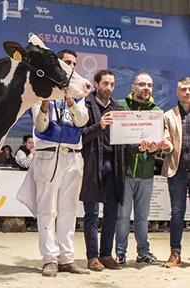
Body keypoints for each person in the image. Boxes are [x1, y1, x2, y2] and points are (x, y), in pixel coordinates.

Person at [25, 49, 90, 277]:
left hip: (73, 154)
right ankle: (49, 259)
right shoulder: (43, 90)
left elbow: (82, 120)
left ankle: (68, 258)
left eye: (74, 63)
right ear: (59, 64)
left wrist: (70, 100)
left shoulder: (80, 93)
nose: (71, 65)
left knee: (69, 209)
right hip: (48, 154)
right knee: (47, 209)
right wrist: (45, 105)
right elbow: (40, 126)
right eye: (66, 62)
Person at [115, 73, 162, 266]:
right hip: (125, 173)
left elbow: (159, 141)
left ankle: (143, 252)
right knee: (123, 216)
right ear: (133, 87)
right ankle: (120, 253)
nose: (146, 88)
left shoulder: (157, 112)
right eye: (142, 84)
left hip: (146, 173)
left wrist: (155, 148)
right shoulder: (120, 106)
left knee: (142, 217)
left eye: (149, 85)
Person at [80, 69, 125, 271]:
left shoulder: (118, 107)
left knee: (112, 212)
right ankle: (92, 257)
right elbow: (80, 136)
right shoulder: (85, 104)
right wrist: (100, 125)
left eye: (112, 84)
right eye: (105, 83)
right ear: (96, 84)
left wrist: (140, 144)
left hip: (114, 164)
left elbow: (125, 140)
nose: (109, 88)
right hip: (92, 163)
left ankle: (106, 255)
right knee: (91, 212)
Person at [159, 77, 190, 268]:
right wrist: (166, 146)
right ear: (177, 92)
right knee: (177, 213)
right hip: (177, 170)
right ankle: (175, 253)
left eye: (189, 89)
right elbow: (167, 139)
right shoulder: (168, 115)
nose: (187, 92)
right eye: (183, 89)